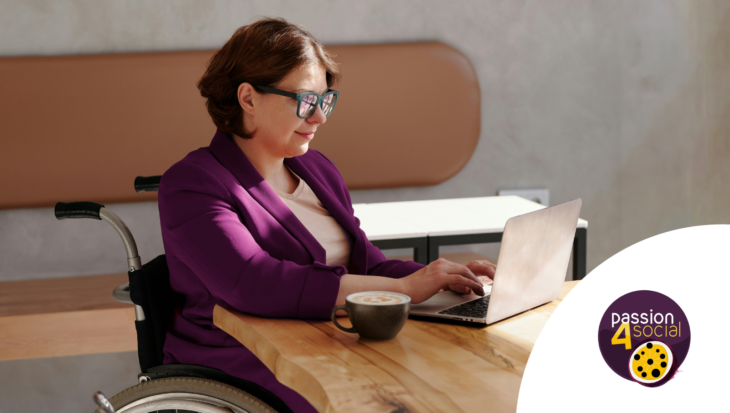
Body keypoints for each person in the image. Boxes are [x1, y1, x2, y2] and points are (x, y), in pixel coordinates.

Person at [158, 17, 496, 413]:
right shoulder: (192, 184)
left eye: (324, 101)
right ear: (248, 98)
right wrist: (404, 290)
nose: (318, 117)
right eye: (305, 100)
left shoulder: (317, 169)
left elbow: (368, 265)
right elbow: (251, 282)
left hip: (327, 342)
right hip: (246, 361)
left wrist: (437, 278)